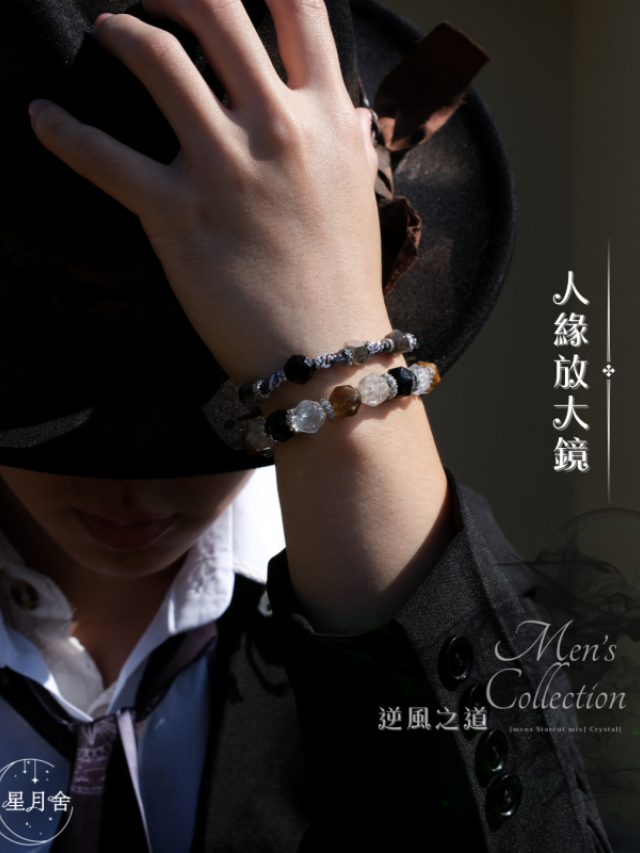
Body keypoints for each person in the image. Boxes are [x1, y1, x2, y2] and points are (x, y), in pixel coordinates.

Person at [0, 0, 613, 851]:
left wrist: (339, 353)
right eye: (51, 398)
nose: (136, 482)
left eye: (220, 396)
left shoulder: (415, 602)